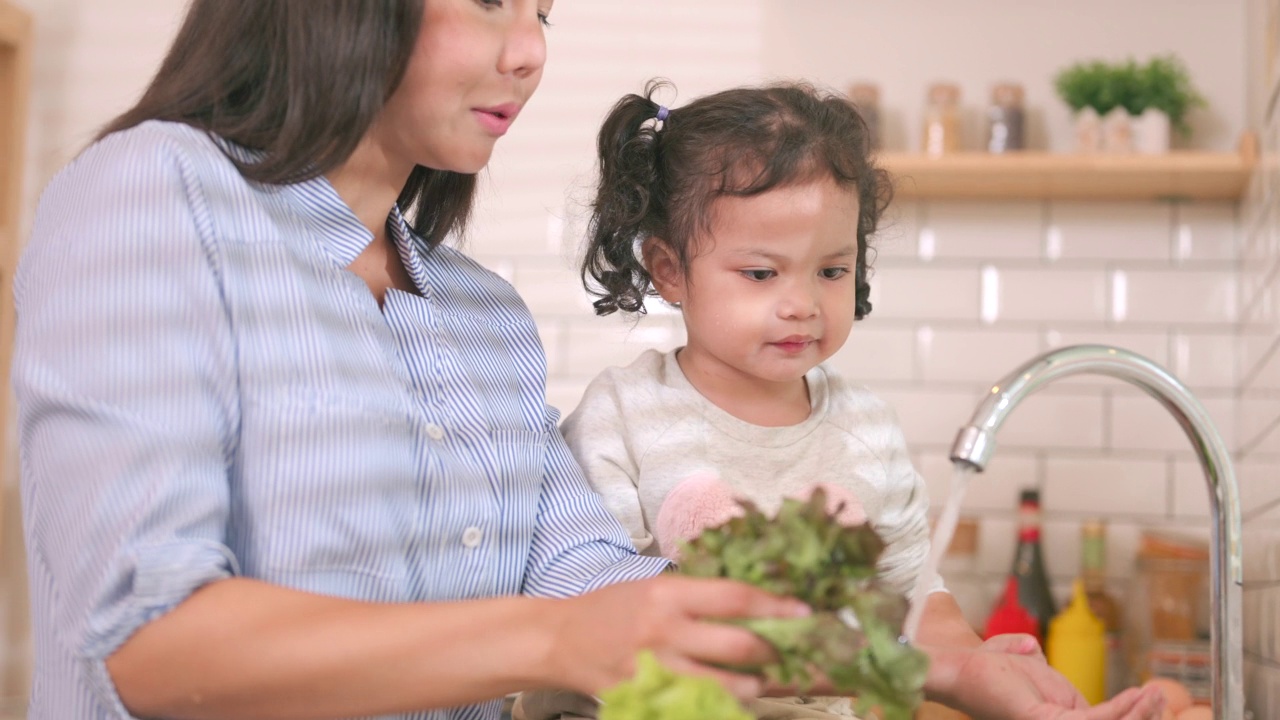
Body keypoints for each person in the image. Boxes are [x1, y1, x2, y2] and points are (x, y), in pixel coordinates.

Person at [10, 4, 819, 719]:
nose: (531, 51)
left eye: (544, 13)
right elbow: (147, 642)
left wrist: (860, 632)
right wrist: (555, 639)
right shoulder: (154, 190)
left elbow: (576, 571)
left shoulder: (483, 314)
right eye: (493, 2)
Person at [557, 80, 1168, 720]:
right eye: (761, 273)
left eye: (831, 270)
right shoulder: (622, 415)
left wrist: (982, 665)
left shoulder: (865, 428)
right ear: (669, 269)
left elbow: (916, 604)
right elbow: (602, 619)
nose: (803, 303)